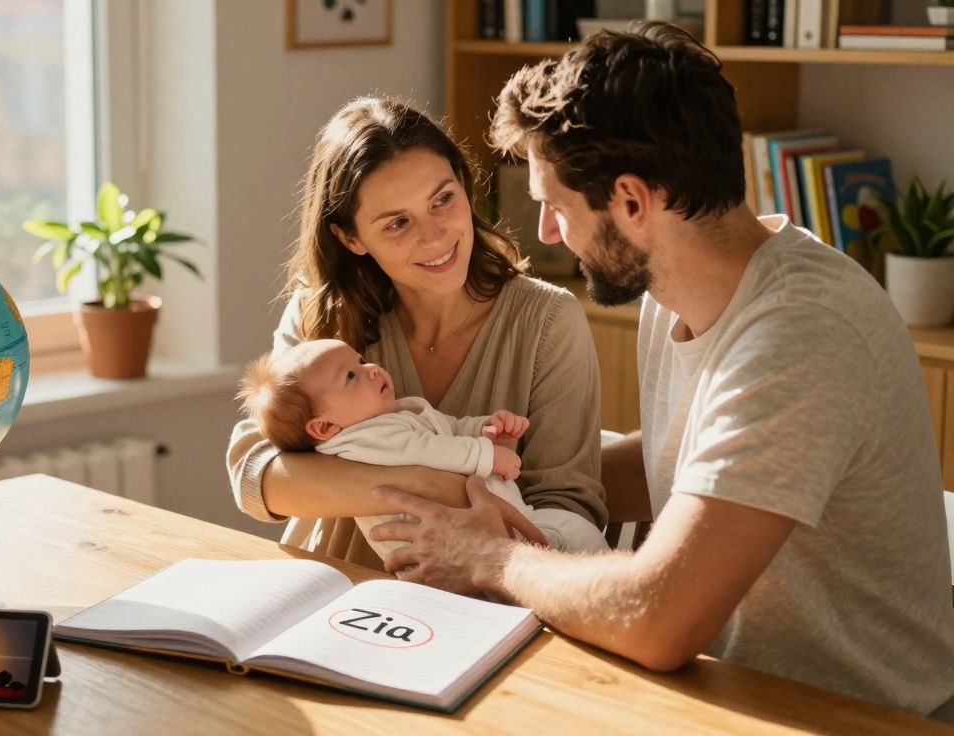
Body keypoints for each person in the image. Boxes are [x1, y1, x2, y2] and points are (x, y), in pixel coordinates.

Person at [367, 23, 954, 718]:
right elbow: (703, 458)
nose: (547, 231)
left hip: (859, 715)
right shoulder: (678, 287)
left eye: (555, 205)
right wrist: (500, 482)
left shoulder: (801, 335)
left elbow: (657, 617)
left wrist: (489, 557)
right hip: (731, 692)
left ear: (632, 202)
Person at [226, 96, 607, 572]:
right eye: (398, 223)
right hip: (333, 582)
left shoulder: (548, 322)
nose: (435, 236)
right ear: (350, 238)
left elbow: (569, 509)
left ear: (464, 186)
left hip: (488, 597)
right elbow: (255, 477)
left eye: (443, 199)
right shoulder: (319, 314)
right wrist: (428, 482)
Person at [236, 338, 611, 560]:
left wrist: (485, 429)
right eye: (351, 376)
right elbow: (427, 449)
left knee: (576, 534)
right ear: (324, 427)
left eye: (361, 360)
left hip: (495, 529)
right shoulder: (359, 441)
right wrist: (486, 456)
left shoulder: (392, 416)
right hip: (451, 550)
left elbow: (446, 430)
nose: (372, 368)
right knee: (576, 541)